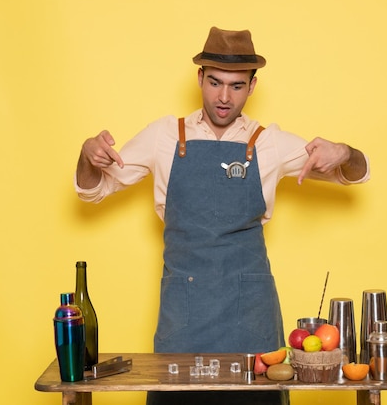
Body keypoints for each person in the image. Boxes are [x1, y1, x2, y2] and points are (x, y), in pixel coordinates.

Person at [75, 27, 370, 405]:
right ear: (199, 78)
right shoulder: (164, 136)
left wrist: (344, 152)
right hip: (185, 309)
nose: (224, 97)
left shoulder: (269, 142)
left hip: (250, 311)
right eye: (215, 83)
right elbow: (92, 190)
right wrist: (87, 154)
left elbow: (356, 174)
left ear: (252, 86)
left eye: (236, 86)